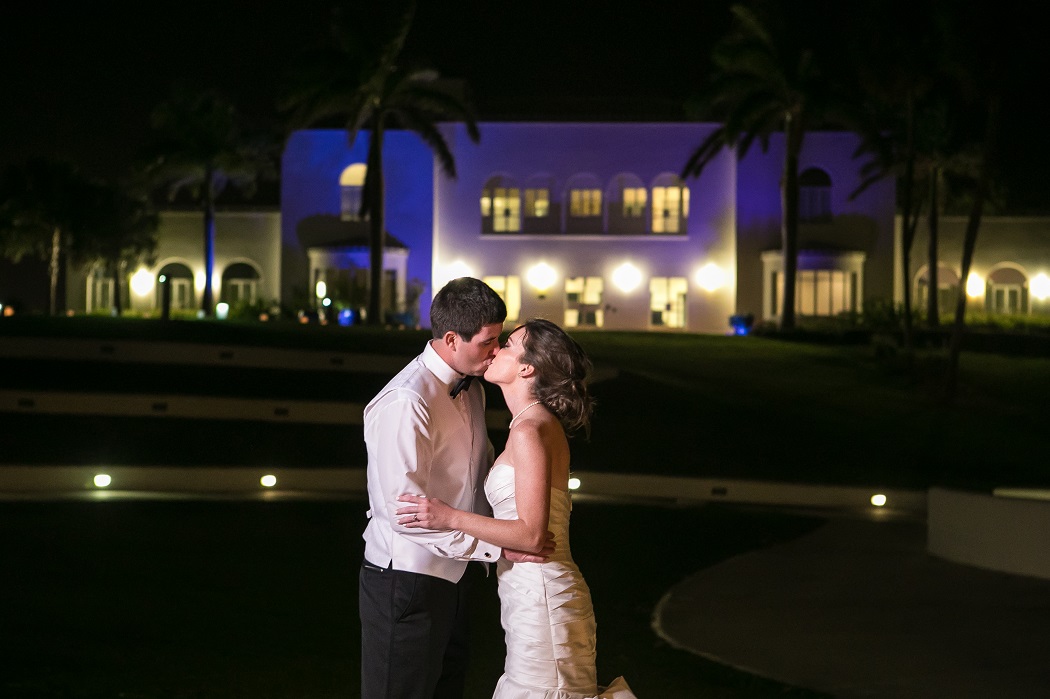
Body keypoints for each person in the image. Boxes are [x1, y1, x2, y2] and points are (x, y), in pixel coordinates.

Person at [397, 318, 636, 699]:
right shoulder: (534, 424)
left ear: (527, 368)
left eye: (507, 345)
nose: (495, 349)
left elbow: (531, 534)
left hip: (541, 593)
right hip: (534, 593)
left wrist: (448, 517)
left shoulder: (529, 431)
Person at [359, 278, 554, 699]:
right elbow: (405, 514)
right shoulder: (406, 402)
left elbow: (477, 478)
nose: (496, 350)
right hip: (406, 583)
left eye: (500, 339)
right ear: (451, 338)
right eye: (489, 341)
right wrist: (497, 548)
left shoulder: (475, 392)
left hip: (457, 577)